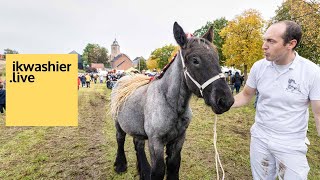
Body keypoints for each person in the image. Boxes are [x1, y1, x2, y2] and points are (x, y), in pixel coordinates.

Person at [232, 20, 320, 179]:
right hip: (260, 137)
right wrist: (224, 103)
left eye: (271, 41)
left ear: (291, 44)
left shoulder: (312, 72)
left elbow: (318, 113)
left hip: (291, 143)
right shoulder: (259, 67)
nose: (263, 46)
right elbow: (245, 95)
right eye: (264, 40)